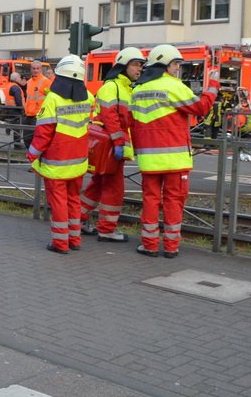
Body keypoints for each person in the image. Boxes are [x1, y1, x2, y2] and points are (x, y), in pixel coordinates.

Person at [130, 44, 219, 258]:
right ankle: (171, 247)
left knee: (150, 200)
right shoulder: (173, 86)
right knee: (174, 201)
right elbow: (201, 108)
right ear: (165, 65)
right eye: (175, 64)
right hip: (175, 160)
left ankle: (149, 245)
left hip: (149, 160)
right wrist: (213, 85)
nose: (178, 68)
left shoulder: (138, 89)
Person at [27, 55, 94, 254]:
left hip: (57, 161)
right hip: (79, 161)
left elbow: (44, 132)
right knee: (74, 199)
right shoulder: (89, 97)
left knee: (58, 202)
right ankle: (74, 239)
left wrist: (32, 154)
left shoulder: (53, 98)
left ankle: (60, 243)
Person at [79, 47, 145, 243]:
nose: (139, 69)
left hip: (112, 146)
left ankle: (76, 219)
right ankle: (107, 229)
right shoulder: (112, 87)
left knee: (97, 185)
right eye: (135, 64)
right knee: (114, 189)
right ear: (123, 66)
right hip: (111, 146)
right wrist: (119, 142)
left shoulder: (124, 88)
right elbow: (110, 117)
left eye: (141, 65)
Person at [23, 59, 52, 148]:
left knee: (35, 140)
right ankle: (33, 158)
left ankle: (35, 159)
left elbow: (50, 100)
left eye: (37, 68)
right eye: (34, 68)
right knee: (26, 138)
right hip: (28, 115)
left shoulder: (46, 82)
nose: (35, 70)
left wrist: (41, 114)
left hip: (38, 116)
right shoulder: (29, 82)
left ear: (41, 69)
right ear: (31, 69)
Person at [7, 72, 27, 148]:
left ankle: (9, 127)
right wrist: (22, 109)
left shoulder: (10, 85)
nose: (20, 79)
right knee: (17, 128)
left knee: (16, 127)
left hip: (10, 110)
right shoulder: (15, 87)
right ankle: (17, 145)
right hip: (16, 111)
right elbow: (18, 100)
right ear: (16, 79)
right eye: (19, 77)